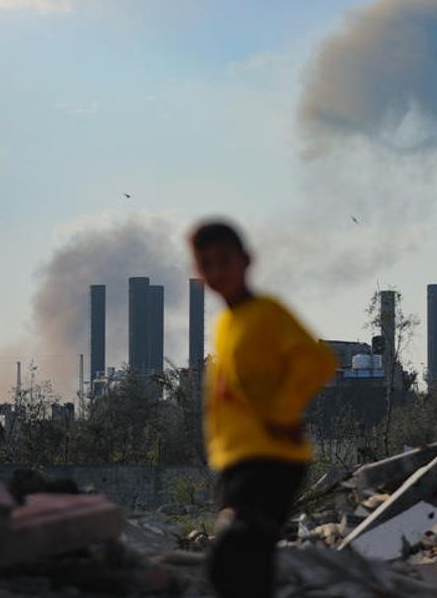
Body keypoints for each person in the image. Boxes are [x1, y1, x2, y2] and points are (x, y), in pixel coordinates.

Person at [190, 220, 338, 598]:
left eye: (224, 260)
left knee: (228, 562)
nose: (217, 271)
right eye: (206, 263)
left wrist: (282, 412)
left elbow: (318, 360)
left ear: (246, 260)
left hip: (271, 460)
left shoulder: (267, 313)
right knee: (251, 568)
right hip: (235, 462)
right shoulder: (226, 324)